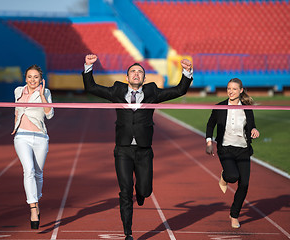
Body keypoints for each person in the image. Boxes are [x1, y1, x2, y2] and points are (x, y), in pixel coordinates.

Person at [82, 54, 193, 240]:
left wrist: (187, 71)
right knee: (125, 191)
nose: (136, 74)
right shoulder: (117, 90)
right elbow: (91, 87)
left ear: (144, 78)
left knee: (145, 190)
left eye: (140, 72)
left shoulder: (152, 92)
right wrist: (88, 66)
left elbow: (179, 90)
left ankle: (141, 194)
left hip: (144, 151)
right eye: (132, 71)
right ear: (127, 77)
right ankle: (128, 233)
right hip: (123, 150)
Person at [205, 78, 260, 229]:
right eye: (229, 88)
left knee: (244, 184)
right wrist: (209, 142)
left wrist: (254, 130)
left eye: (234, 89)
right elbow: (210, 125)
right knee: (232, 176)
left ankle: (234, 215)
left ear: (241, 90)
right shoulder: (220, 107)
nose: (230, 91)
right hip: (226, 148)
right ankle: (225, 176)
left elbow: (252, 125)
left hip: (243, 149)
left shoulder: (247, 107)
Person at [11, 64, 54, 229]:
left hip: (41, 137)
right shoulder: (18, 91)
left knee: (38, 174)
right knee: (28, 170)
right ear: (25, 78)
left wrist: (42, 96)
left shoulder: (46, 92)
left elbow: (49, 115)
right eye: (29, 76)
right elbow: (16, 111)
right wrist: (15, 127)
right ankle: (33, 207)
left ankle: (36, 199)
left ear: (41, 79)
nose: (32, 80)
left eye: (36, 77)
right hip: (22, 136)